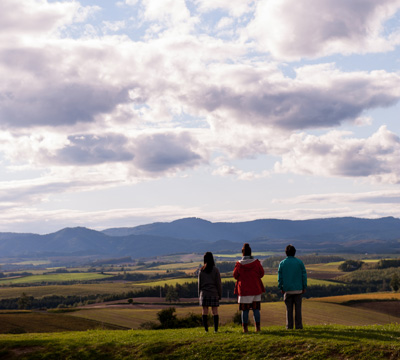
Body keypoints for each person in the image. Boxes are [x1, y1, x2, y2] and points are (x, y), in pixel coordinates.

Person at [233, 243, 265, 332]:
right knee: (256, 309)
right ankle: (257, 328)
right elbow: (261, 273)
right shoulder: (256, 263)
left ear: (242, 253)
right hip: (255, 288)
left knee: (245, 310)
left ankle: (245, 328)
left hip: (244, 289)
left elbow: (235, 275)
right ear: (250, 253)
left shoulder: (239, 264)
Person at [278, 244, 307, 330]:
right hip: (298, 290)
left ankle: (289, 326)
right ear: (294, 252)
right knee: (298, 309)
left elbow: (280, 277)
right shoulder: (299, 262)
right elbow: (304, 275)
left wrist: (281, 287)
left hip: (287, 290)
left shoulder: (282, 263)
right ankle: (298, 326)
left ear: (286, 253)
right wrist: (304, 287)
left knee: (289, 310)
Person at [198, 251, 222, 332]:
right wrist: (220, 294)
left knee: (204, 311)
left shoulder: (201, 271)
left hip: (204, 294)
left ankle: (206, 330)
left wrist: (199, 295)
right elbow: (218, 283)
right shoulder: (216, 270)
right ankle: (215, 330)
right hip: (214, 293)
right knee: (215, 311)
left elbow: (199, 284)